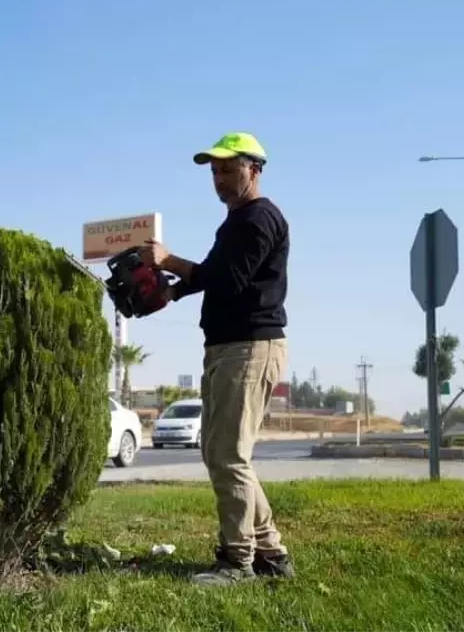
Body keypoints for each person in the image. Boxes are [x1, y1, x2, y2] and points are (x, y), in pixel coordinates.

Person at [140, 131, 294, 586]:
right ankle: (271, 553)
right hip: (228, 346)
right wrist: (170, 291)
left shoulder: (259, 219)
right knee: (222, 452)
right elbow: (211, 272)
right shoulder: (236, 222)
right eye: (214, 171)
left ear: (254, 169)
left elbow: (226, 279)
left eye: (229, 168)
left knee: (229, 456)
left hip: (250, 346)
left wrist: (170, 261)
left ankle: (238, 562)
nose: (220, 178)